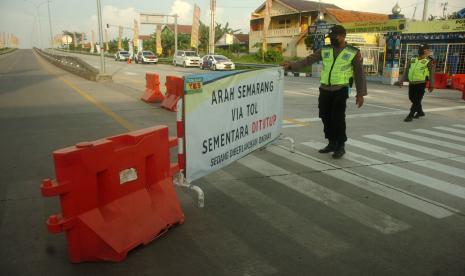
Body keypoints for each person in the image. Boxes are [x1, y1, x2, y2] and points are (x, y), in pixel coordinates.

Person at [282, 25, 367, 159]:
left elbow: (359, 73)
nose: (332, 39)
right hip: (325, 88)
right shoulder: (325, 49)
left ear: (342, 36)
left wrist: (360, 94)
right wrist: (292, 66)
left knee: (337, 118)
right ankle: (331, 143)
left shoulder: (353, 52)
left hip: (341, 88)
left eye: (334, 37)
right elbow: (308, 60)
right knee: (324, 116)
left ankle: (340, 145)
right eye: (331, 37)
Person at [399, 44, 435, 122]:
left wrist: (431, 85)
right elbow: (407, 70)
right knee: (411, 98)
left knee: (417, 100)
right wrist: (402, 80)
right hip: (412, 82)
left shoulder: (429, 61)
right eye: (427, 50)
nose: (428, 51)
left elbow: (432, 74)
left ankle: (410, 115)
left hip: (421, 83)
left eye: (427, 50)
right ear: (424, 51)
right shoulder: (412, 59)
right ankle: (420, 112)